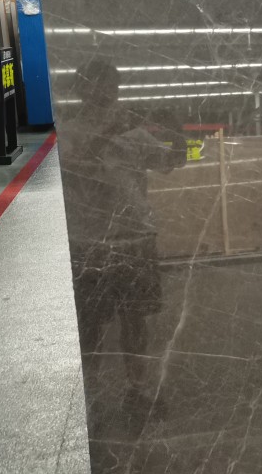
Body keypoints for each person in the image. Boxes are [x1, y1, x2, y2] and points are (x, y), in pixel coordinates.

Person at [57, 57, 185, 425]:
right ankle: (89, 395)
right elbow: (77, 163)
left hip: (132, 238)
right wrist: (113, 130)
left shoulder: (134, 133)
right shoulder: (67, 134)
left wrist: (177, 130)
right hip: (90, 243)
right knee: (90, 326)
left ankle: (137, 390)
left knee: (134, 320)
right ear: (82, 89)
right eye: (98, 83)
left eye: (111, 84)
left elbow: (173, 161)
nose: (107, 91)